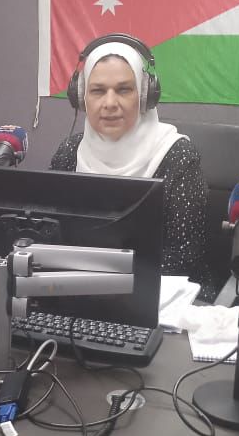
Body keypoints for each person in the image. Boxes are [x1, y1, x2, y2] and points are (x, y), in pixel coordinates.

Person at [49, 36, 214, 298]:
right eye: (98, 91)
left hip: (160, 297)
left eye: (124, 90)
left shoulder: (178, 157)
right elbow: (49, 234)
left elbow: (184, 258)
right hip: (78, 291)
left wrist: (101, 282)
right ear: (81, 97)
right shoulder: (69, 153)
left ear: (145, 95)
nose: (110, 103)